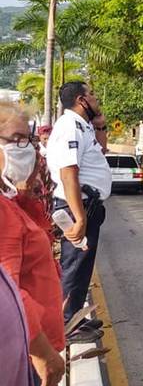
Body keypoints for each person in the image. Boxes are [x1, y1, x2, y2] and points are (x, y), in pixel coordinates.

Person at [0, 101, 65, 386]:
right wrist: (45, 357)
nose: (24, 148)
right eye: (14, 139)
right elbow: (7, 292)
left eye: (26, 139)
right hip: (25, 354)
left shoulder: (12, 201)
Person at [46, 81, 110, 340]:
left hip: (87, 206)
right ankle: (64, 327)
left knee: (83, 266)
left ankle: (73, 319)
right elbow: (68, 173)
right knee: (74, 265)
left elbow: (102, 150)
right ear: (82, 100)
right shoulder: (69, 127)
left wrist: (101, 124)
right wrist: (80, 217)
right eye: (92, 95)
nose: (96, 99)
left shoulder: (82, 126)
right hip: (76, 207)